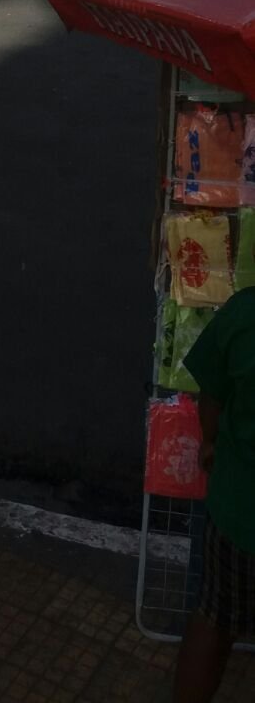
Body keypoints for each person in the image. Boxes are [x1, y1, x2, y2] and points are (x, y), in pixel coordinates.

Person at [172, 290, 255, 702]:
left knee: (214, 617)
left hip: (238, 512)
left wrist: (209, 443)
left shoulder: (243, 312)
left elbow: (212, 396)